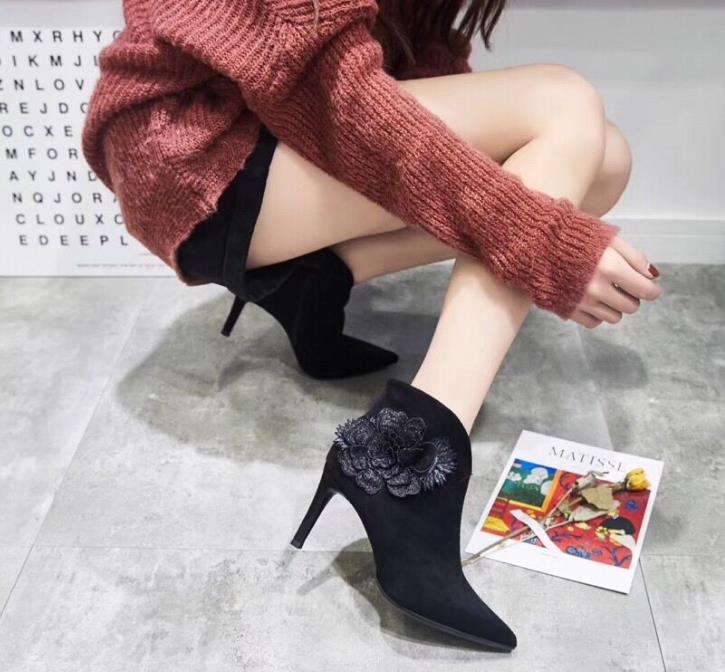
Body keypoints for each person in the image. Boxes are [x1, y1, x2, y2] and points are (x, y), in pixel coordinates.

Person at [81, 0, 663, 652]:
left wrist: (521, 206)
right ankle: (404, 458)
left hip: (277, 123)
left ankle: (314, 283)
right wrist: (537, 240)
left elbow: (407, 58)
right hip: (195, 146)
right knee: (560, 103)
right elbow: (337, 100)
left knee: (601, 158)